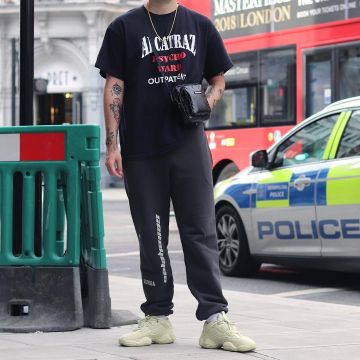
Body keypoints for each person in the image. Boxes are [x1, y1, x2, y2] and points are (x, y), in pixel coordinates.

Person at [95, 0, 256, 352]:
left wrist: (206, 103)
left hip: (189, 146)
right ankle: (157, 318)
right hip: (141, 149)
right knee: (152, 237)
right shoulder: (124, 28)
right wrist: (112, 145)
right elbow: (114, 85)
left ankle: (215, 319)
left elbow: (218, 79)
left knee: (201, 231)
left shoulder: (200, 26)